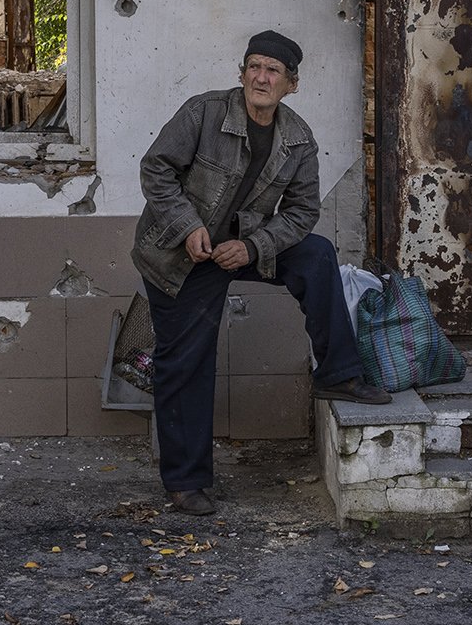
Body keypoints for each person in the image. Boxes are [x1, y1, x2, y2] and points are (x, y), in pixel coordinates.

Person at [133, 29, 389, 515]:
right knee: (186, 360)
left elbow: (301, 212)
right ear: (242, 73)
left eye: (272, 71)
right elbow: (156, 171)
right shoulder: (203, 112)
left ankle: (338, 372)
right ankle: (186, 481)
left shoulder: (297, 139)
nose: (261, 77)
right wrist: (188, 227)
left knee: (316, 255)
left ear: (291, 84)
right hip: (179, 253)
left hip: (241, 246)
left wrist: (252, 248)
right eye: (254, 66)